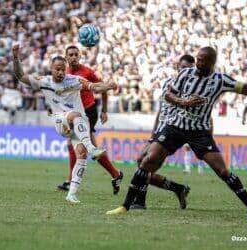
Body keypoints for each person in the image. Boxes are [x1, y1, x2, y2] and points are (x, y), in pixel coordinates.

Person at [107, 46, 247, 221]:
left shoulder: (221, 80)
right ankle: (125, 206)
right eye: (198, 58)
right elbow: (168, 94)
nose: (199, 62)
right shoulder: (186, 74)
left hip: (199, 131)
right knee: (148, 160)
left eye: (203, 60)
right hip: (175, 127)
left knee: (222, 171)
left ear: (212, 62)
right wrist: (183, 102)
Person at [12, 44, 117, 203]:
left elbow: (93, 86)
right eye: (57, 69)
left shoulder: (74, 81)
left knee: (81, 154)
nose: (60, 72)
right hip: (61, 122)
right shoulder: (44, 81)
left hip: (78, 124)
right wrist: (15, 57)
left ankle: (72, 193)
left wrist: (107, 86)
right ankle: (92, 148)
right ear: (51, 69)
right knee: (75, 115)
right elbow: (21, 76)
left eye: (62, 69)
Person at [130, 54, 197, 210]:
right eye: (182, 67)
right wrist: (153, 134)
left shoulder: (193, 90)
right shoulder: (168, 84)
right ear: (177, 68)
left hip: (173, 132)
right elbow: (161, 111)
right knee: (142, 163)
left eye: (187, 68)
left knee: (144, 164)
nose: (184, 71)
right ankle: (178, 189)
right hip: (160, 132)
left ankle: (140, 201)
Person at [56, 45, 123, 194]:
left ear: (79, 56)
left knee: (75, 144)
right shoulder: (64, 73)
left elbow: (101, 88)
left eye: (75, 55)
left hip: (88, 111)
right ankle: (116, 175)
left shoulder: (87, 72)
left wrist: (104, 110)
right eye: (70, 55)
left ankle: (70, 181)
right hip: (74, 112)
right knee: (91, 148)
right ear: (66, 57)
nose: (73, 57)